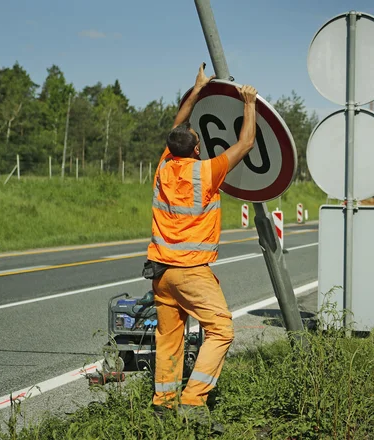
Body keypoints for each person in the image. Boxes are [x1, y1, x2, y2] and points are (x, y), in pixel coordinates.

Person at [143, 62, 257, 430]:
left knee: (170, 338)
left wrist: (197, 90)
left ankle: (163, 405)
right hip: (190, 271)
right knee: (222, 329)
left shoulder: (163, 166)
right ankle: (193, 400)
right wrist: (249, 103)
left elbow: (178, 122)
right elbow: (247, 143)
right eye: (196, 140)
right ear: (195, 148)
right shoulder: (205, 171)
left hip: (160, 273)